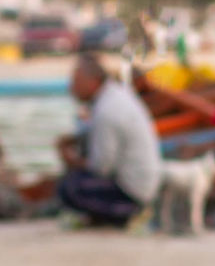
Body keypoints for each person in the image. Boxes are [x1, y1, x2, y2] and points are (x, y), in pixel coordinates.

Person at [56, 53, 160, 226]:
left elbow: (101, 167)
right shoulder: (116, 95)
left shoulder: (106, 110)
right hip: (143, 186)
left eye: (76, 82)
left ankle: (117, 216)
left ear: (93, 82)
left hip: (133, 192)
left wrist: (71, 161)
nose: (72, 89)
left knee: (69, 187)